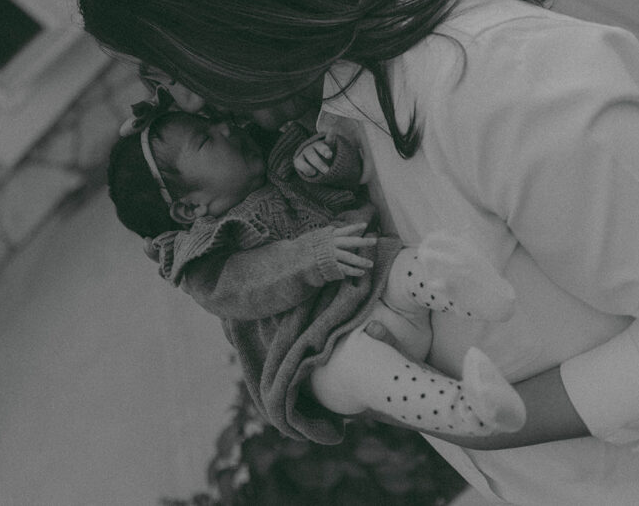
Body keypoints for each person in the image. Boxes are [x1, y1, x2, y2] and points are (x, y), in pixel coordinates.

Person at [76, 0, 639, 504]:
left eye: (161, 72)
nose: (176, 103)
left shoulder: (501, 88)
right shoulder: (328, 136)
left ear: (220, 26)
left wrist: (483, 420)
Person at [107, 97, 525, 443]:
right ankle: (473, 410)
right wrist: (314, 257)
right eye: (205, 140)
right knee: (368, 371)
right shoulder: (206, 259)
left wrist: (327, 161)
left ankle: (484, 295)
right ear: (191, 208)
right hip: (320, 352)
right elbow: (250, 282)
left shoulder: (281, 163)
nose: (226, 131)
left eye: (212, 123)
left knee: (408, 264)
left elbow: (350, 182)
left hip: (373, 288)